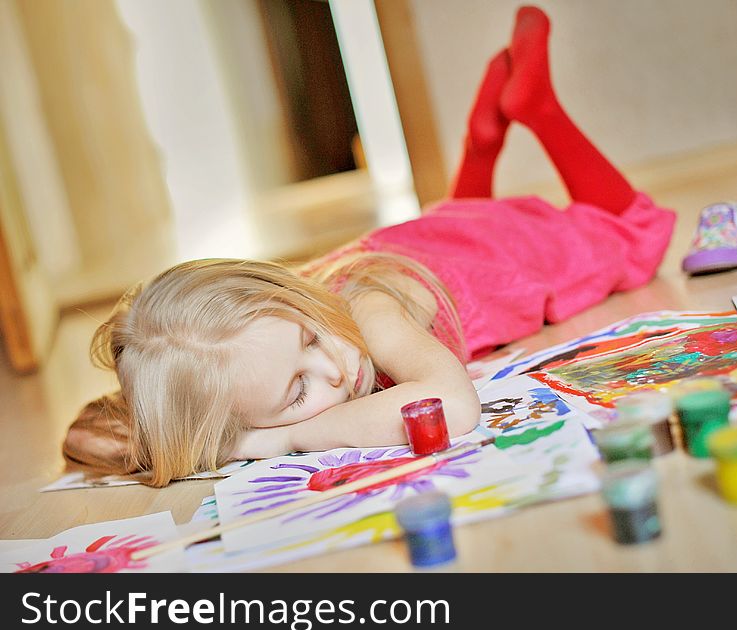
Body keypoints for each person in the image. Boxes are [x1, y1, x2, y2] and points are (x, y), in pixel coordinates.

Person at [64, 6, 675, 486]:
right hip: (426, 243)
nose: (337, 365)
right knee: (461, 217)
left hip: (494, 258)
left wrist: (287, 434)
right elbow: (87, 438)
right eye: (298, 390)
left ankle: (539, 109)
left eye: (308, 338)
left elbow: (451, 409)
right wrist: (220, 442)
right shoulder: (236, 358)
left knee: (636, 236)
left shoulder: (366, 323)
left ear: (282, 294)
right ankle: (481, 146)